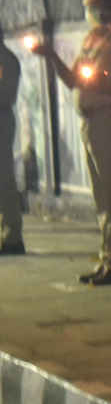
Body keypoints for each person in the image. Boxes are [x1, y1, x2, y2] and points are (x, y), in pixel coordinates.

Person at [31, 0, 111, 284]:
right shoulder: (92, 38)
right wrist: (52, 56)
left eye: (94, 4)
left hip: (107, 118)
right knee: (101, 195)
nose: (90, 10)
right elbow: (73, 79)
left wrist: (85, 77)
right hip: (90, 121)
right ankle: (108, 257)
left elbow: (102, 81)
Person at [0, 29, 23, 255]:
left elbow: (6, 94)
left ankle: (12, 236)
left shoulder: (6, 61)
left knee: (4, 180)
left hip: (2, 118)